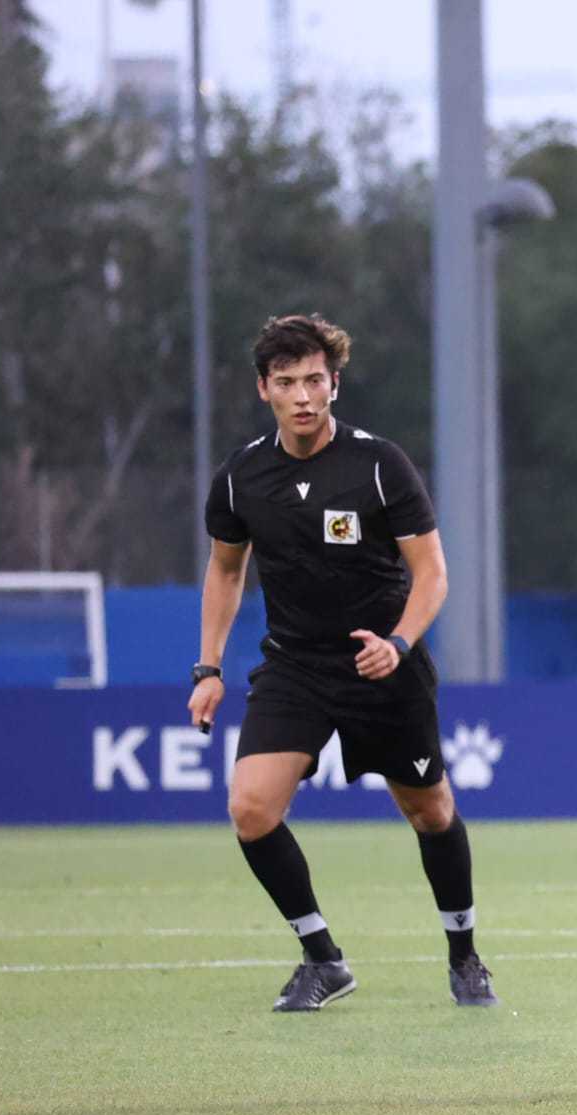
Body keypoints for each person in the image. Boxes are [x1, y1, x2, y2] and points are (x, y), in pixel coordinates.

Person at [189, 313, 494, 1013]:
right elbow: (226, 571)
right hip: (295, 667)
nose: (302, 396)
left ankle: (465, 957)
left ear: (335, 384)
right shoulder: (240, 478)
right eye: (286, 382)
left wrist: (400, 643)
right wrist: (208, 669)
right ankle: (323, 959)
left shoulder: (380, 465)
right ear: (263, 388)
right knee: (250, 809)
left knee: (431, 811)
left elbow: (432, 574)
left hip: (382, 664)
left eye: (314, 380)